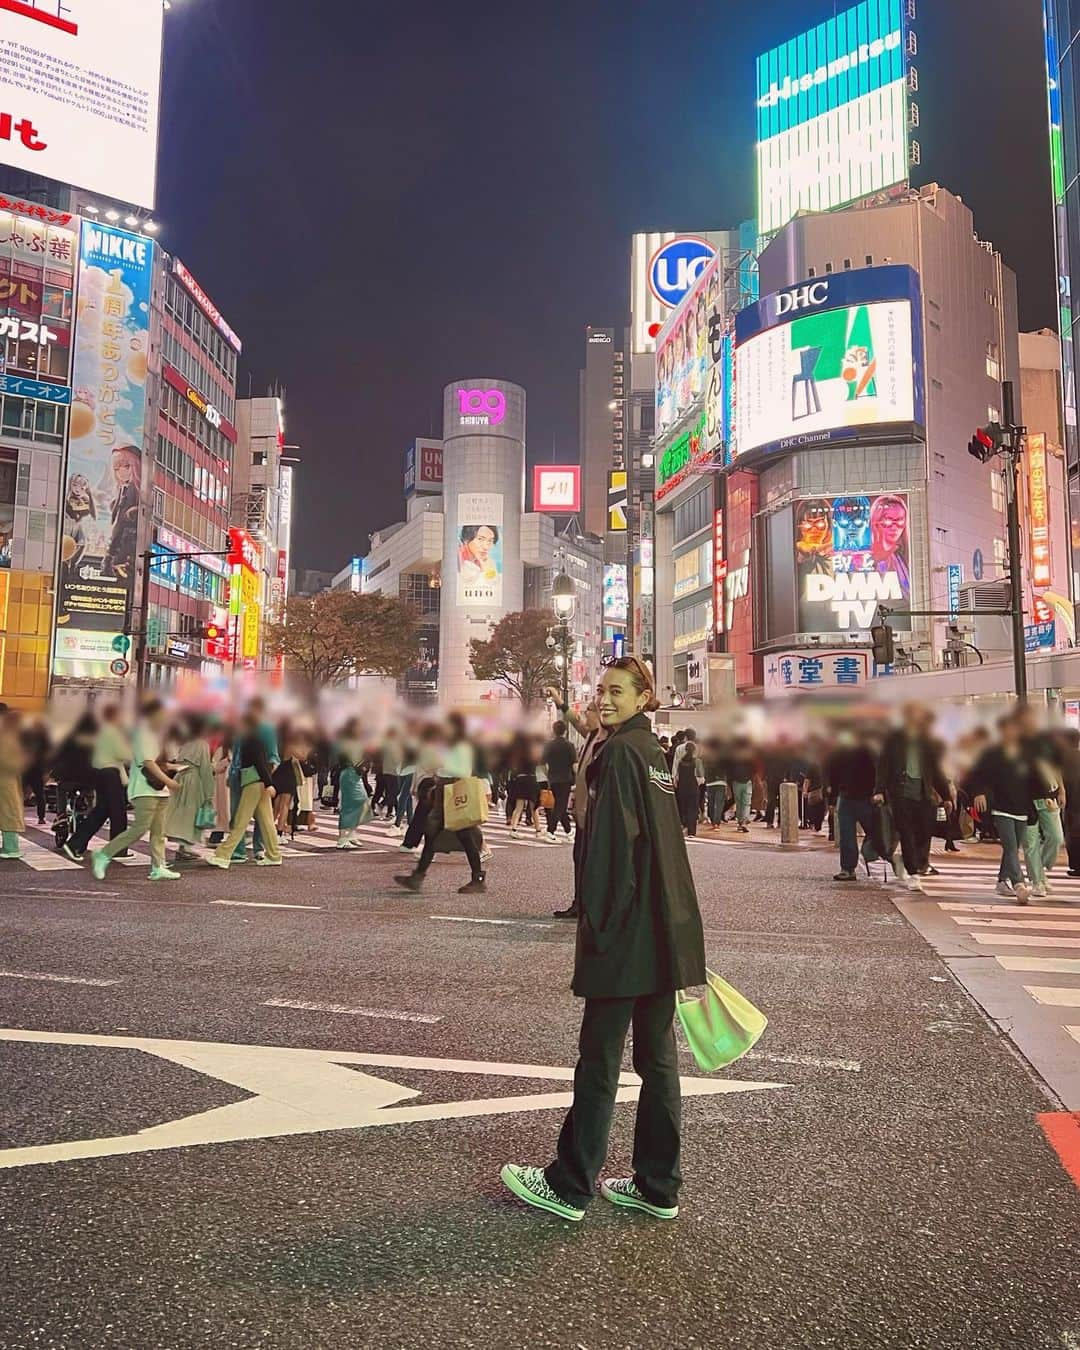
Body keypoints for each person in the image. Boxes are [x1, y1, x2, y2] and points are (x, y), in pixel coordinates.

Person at [501, 655, 706, 1223]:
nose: (605, 699)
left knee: (599, 1058)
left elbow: (615, 847)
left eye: (618, 691)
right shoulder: (651, 753)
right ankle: (658, 1184)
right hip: (664, 923)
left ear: (644, 698)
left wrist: (599, 920)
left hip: (627, 927)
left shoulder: (619, 753)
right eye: (602, 690)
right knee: (657, 1059)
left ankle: (569, 1184)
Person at [91, 699, 184, 882]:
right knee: (140, 828)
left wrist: (174, 768)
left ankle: (158, 867)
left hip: (159, 790)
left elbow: (156, 762)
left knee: (159, 831)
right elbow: (148, 763)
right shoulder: (144, 733)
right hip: (145, 790)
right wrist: (169, 781)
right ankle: (103, 854)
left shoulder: (157, 735)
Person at [395, 713, 486, 894]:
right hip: (445, 792)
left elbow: (457, 770)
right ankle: (418, 876)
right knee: (433, 835)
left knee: (464, 837)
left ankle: (478, 878)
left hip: (453, 793)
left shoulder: (459, 746)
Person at [968, 713, 1046, 903]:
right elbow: (977, 775)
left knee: (1013, 847)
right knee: (1010, 847)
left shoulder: (1026, 753)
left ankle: (1002, 881)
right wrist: (979, 793)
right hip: (1001, 807)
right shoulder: (992, 753)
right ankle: (1019, 884)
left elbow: (1034, 780)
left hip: (1022, 808)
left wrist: (1046, 795)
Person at [874, 703, 950, 893]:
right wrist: (879, 790)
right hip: (900, 792)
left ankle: (912, 861)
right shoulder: (894, 739)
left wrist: (946, 795)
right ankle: (913, 872)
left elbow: (936, 770)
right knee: (906, 832)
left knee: (924, 831)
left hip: (922, 793)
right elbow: (883, 766)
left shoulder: (926, 741)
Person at [205, 711, 283, 870]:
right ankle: (274, 855)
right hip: (257, 781)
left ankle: (223, 855)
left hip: (252, 781)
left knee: (241, 820)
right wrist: (268, 783)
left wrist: (269, 783)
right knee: (266, 820)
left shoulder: (249, 739)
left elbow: (259, 763)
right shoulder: (253, 738)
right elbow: (262, 763)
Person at [62, 704, 132, 861]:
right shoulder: (113, 732)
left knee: (102, 811)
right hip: (111, 774)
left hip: (101, 774)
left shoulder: (102, 731)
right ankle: (117, 849)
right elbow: (124, 753)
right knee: (118, 813)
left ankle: (75, 843)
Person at [1015, 703, 1065, 889]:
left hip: (1049, 796)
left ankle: (1041, 869)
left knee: (1056, 837)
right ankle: (1037, 880)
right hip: (1025, 798)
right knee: (1030, 841)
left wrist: (1061, 789)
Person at [226, 698, 278, 862]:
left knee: (250, 816)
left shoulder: (266, 729)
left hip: (255, 777)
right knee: (240, 814)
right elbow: (236, 753)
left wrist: (267, 780)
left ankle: (256, 848)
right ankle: (242, 850)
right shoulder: (242, 729)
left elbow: (272, 757)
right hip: (239, 774)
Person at [827, 729, 878, 881]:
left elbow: (878, 772)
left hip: (866, 798)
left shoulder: (870, 751)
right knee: (846, 835)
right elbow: (833, 774)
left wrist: (878, 792)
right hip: (846, 798)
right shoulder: (840, 751)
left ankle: (871, 853)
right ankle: (848, 868)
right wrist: (832, 799)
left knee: (876, 831)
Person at [165, 713, 215, 861]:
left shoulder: (186, 742)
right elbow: (205, 768)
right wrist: (209, 792)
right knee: (190, 814)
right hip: (194, 780)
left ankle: (183, 847)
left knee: (181, 813)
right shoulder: (202, 744)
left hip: (180, 778)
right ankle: (185, 848)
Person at [336, 719, 371, 849]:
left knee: (362, 802)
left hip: (355, 776)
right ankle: (342, 837)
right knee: (349, 805)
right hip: (349, 774)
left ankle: (351, 833)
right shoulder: (347, 743)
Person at [541, 721, 576, 841]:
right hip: (566, 778)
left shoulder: (548, 745)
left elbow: (542, 762)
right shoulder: (569, 745)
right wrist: (578, 778)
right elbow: (574, 764)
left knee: (559, 805)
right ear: (565, 731)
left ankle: (569, 831)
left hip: (553, 779)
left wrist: (548, 774)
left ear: (554, 730)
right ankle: (551, 830)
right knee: (560, 805)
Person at [0, 707, 27, 859]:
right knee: (10, 812)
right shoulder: (8, 736)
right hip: (7, 780)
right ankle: (10, 848)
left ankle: (10, 847)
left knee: (8, 812)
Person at [672, 729, 704, 836]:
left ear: (685, 737)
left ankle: (684, 825)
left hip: (682, 783)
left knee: (683, 805)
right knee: (693, 807)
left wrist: (674, 779)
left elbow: (675, 765)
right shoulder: (699, 752)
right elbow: (701, 777)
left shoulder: (679, 751)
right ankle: (691, 831)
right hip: (693, 785)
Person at [20, 715, 49, 827]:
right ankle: (41, 818)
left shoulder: (24, 737)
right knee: (39, 793)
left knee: (20, 793)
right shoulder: (43, 739)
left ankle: (19, 815)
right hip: (37, 770)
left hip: (26, 769)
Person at [208, 725, 233, 846]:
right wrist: (225, 763)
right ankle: (218, 836)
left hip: (225, 785)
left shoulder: (224, 750)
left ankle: (218, 836)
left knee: (224, 811)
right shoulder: (223, 750)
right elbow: (213, 767)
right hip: (223, 785)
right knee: (224, 811)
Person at [729, 737, 755, 833]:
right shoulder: (750, 755)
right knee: (746, 803)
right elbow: (754, 768)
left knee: (739, 803)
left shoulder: (733, 755)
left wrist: (730, 781)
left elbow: (729, 770)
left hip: (736, 782)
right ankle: (743, 822)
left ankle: (740, 822)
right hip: (747, 781)